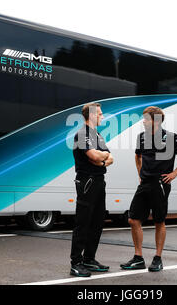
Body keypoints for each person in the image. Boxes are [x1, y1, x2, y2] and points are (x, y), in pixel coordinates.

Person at [120, 106, 177, 272]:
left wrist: (175, 173)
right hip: (144, 183)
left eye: (146, 119)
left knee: (159, 220)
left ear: (156, 121)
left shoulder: (171, 138)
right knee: (133, 219)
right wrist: (140, 174)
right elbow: (137, 156)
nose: (143, 121)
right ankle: (138, 258)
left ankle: (158, 258)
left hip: (160, 184)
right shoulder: (142, 137)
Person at [70, 102, 114, 277]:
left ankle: (89, 258)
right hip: (86, 181)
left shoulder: (97, 135)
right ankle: (76, 262)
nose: (102, 116)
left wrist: (100, 160)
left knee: (97, 221)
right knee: (83, 222)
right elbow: (94, 155)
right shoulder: (82, 134)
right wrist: (100, 157)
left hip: (98, 180)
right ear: (92, 115)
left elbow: (110, 158)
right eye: (100, 114)